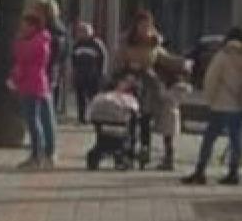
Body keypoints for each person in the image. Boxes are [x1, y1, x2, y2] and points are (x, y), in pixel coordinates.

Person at [182, 27, 242, 186]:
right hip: (240, 106)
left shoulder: (223, 56)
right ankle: (233, 172)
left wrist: (210, 98)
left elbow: (211, 79)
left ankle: (200, 171)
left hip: (221, 104)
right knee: (237, 140)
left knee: (209, 139)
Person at [117, 11, 167, 165]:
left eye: (148, 25)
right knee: (130, 117)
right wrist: (126, 68)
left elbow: (163, 58)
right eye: (142, 25)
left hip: (148, 81)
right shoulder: (127, 40)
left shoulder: (155, 41)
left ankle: (145, 149)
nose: (145, 28)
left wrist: (182, 64)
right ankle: (129, 149)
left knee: (145, 118)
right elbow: (119, 58)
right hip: (130, 79)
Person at [12, 13, 56, 169]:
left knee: (34, 121)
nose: (22, 29)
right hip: (33, 83)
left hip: (33, 84)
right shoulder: (38, 40)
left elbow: (24, 57)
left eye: (26, 26)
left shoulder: (38, 42)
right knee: (38, 120)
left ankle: (38, 155)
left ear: (34, 26)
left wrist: (20, 42)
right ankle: (42, 154)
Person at [154, 55, 193, 171]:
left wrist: (160, 87)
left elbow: (164, 97)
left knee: (168, 139)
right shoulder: (181, 89)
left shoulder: (174, 90)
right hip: (172, 114)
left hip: (169, 115)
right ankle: (168, 159)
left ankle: (169, 160)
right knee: (168, 139)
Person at [37, 0, 70, 116]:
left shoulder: (54, 30)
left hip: (48, 69)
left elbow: (59, 51)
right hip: (47, 69)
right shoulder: (51, 28)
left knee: (46, 103)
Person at [71, 22, 109, 124]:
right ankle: (82, 117)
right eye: (80, 31)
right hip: (80, 75)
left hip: (93, 75)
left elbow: (103, 58)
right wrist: (73, 73)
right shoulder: (77, 45)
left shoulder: (97, 44)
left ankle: (95, 117)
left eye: (84, 31)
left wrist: (102, 73)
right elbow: (73, 60)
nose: (82, 33)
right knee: (80, 98)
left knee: (93, 98)